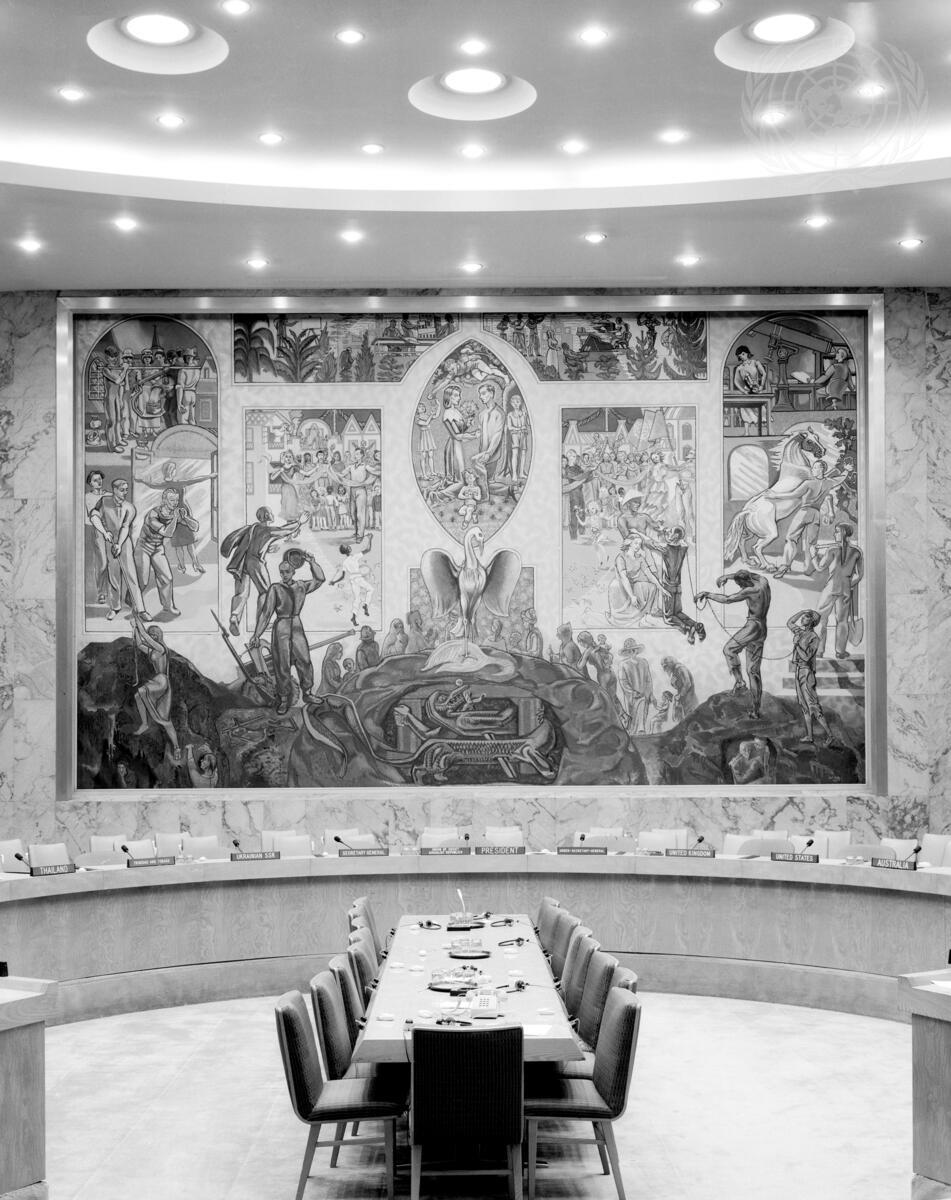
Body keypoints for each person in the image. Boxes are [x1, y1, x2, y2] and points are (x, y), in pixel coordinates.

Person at [250, 549, 325, 715]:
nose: (284, 575)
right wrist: (256, 634)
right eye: (281, 572)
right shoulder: (275, 588)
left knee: (304, 660)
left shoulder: (301, 586)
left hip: (297, 625)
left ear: (293, 572)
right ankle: (283, 699)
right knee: (282, 664)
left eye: (287, 572)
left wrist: (312, 562)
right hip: (281, 627)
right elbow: (266, 613)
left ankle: (308, 693)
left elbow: (320, 579)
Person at [695, 570, 771, 718]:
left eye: (740, 584)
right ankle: (755, 710)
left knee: (729, 649)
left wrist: (708, 594)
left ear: (744, 582)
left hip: (753, 626)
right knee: (753, 671)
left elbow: (728, 599)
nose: (740, 587)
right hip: (762, 628)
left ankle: (740, 682)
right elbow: (749, 574)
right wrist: (728, 577)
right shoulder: (763, 581)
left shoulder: (749, 591)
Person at [220, 506, 300, 636]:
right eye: (271, 513)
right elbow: (284, 530)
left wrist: (267, 548)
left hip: (242, 563)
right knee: (266, 592)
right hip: (255, 563)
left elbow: (253, 545)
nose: (273, 514)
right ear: (267, 516)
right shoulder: (268, 530)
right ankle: (261, 622)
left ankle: (234, 616)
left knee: (241, 593)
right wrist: (299, 522)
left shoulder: (253, 528)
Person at [773, 459, 845, 578]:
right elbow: (840, 479)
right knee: (811, 543)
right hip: (816, 514)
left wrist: (775, 495)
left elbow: (793, 494)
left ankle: (785, 566)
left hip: (804, 512)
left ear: (822, 469)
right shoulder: (829, 483)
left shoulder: (808, 483)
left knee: (791, 538)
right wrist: (847, 471)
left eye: (815, 467)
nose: (813, 469)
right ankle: (808, 568)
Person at [89, 477, 148, 620]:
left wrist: (119, 545)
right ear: (114, 490)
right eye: (122, 490)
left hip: (124, 542)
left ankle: (140, 610)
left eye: (126, 490)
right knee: (113, 576)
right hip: (109, 541)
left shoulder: (130, 508)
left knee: (131, 576)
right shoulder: (104, 501)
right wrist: (104, 532)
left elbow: (125, 527)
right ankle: (115, 608)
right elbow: (94, 516)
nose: (125, 492)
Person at [128, 610, 180, 759]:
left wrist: (138, 620)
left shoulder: (161, 648)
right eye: (152, 634)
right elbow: (140, 643)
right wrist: (135, 628)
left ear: (160, 636)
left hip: (162, 682)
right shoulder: (152, 650)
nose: (153, 636)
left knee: (143, 692)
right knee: (139, 697)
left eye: (155, 634)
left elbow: (144, 636)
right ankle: (145, 724)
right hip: (156, 681)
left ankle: (176, 747)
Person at [642, 526, 706, 644]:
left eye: (670, 532)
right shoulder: (683, 548)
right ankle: (697, 625)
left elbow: (649, 543)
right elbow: (683, 542)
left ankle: (688, 628)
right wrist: (672, 535)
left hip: (668, 586)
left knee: (669, 617)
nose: (667, 533)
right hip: (677, 586)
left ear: (675, 536)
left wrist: (639, 533)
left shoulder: (666, 549)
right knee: (678, 613)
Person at [815, 523, 864, 658]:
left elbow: (820, 567)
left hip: (830, 588)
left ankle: (819, 651)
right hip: (845, 589)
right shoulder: (857, 552)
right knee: (842, 621)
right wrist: (849, 584)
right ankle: (840, 651)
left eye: (836, 531)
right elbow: (859, 575)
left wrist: (814, 556)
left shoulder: (831, 550)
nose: (834, 534)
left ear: (843, 533)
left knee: (821, 619)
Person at [787, 608, 835, 745]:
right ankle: (809, 736)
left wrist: (797, 644)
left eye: (806, 617)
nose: (802, 619)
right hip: (798, 670)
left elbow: (806, 657)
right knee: (804, 705)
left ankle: (830, 735)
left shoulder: (814, 638)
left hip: (807, 672)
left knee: (813, 705)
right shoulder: (800, 632)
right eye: (803, 617)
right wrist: (801, 611)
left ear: (812, 621)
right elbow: (790, 622)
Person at [133, 487, 183, 617]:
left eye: (176, 500)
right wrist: (175, 519)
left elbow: (195, 526)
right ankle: (133, 600)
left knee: (167, 578)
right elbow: (167, 533)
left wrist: (185, 518)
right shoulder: (153, 514)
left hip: (158, 548)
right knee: (143, 581)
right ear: (164, 500)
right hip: (143, 547)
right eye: (172, 500)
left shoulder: (174, 513)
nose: (175, 503)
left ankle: (168, 606)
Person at [329, 444, 380, 540]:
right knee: (353, 513)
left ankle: (360, 535)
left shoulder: (365, 466)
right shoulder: (351, 466)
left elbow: (375, 471)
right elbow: (341, 474)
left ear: (362, 455)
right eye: (355, 454)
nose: (355, 456)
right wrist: (330, 469)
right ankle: (356, 532)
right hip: (352, 490)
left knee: (360, 514)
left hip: (361, 490)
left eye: (357, 454)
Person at [329, 532, 375, 627]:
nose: (349, 546)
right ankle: (366, 604)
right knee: (370, 589)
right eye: (347, 546)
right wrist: (370, 539)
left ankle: (354, 616)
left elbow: (342, 576)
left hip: (353, 580)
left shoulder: (345, 562)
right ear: (348, 549)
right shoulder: (354, 557)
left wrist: (334, 582)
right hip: (358, 578)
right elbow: (368, 549)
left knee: (357, 599)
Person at [617, 638, 653, 734]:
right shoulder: (623, 664)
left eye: (633, 650)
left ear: (636, 650)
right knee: (632, 716)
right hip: (631, 696)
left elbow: (648, 679)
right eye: (629, 651)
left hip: (644, 694)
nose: (632, 652)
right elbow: (623, 681)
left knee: (643, 712)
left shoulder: (644, 662)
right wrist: (633, 693)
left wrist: (648, 693)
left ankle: (641, 730)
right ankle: (636, 732)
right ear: (626, 652)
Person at [732, 344, 768, 436]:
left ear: (747, 353)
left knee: (760, 409)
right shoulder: (739, 368)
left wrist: (761, 386)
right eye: (740, 355)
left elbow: (764, 374)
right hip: (746, 391)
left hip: (756, 389)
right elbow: (736, 381)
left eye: (743, 354)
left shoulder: (756, 363)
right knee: (745, 410)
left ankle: (763, 432)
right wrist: (743, 391)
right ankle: (747, 432)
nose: (742, 356)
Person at [84, 469, 109, 603]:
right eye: (95, 480)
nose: (99, 482)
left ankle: (114, 593)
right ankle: (101, 592)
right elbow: (89, 518)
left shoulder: (109, 495)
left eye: (100, 479)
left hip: (113, 530)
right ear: (90, 483)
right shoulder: (87, 497)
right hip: (97, 531)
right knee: (102, 563)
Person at [810, 345, 854, 410]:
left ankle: (814, 410)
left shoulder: (834, 366)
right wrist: (852, 390)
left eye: (838, 353)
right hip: (839, 391)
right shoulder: (847, 369)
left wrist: (814, 381)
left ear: (842, 356)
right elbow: (850, 382)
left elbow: (825, 377)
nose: (836, 354)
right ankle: (832, 406)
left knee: (814, 393)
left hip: (831, 390)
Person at [440, 385, 468, 482]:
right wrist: (473, 435)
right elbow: (455, 435)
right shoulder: (448, 413)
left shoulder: (456, 411)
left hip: (458, 443)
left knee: (461, 469)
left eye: (459, 395)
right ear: (449, 397)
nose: (459, 398)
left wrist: (468, 424)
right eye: (456, 395)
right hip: (453, 444)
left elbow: (461, 430)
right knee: (457, 471)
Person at [504, 390, 530, 480]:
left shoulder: (523, 413)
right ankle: (514, 474)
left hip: (523, 435)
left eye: (518, 402)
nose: (516, 404)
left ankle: (521, 473)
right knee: (515, 454)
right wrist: (519, 429)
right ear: (511, 403)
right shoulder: (510, 415)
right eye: (514, 402)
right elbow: (509, 427)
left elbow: (528, 424)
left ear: (521, 403)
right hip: (514, 435)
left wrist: (526, 415)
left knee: (523, 453)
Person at [416, 401, 437, 478]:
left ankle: (432, 472)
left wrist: (438, 406)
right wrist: (431, 415)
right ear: (417, 410)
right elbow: (426, 423)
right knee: (423, 456)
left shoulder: (427, 416)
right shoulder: (417, 419)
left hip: (429, 436)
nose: (422, 407)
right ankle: (424, 474)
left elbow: (436, 415)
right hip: (423, 437)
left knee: (431, 455)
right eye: (420, 407)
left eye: (423, 406)